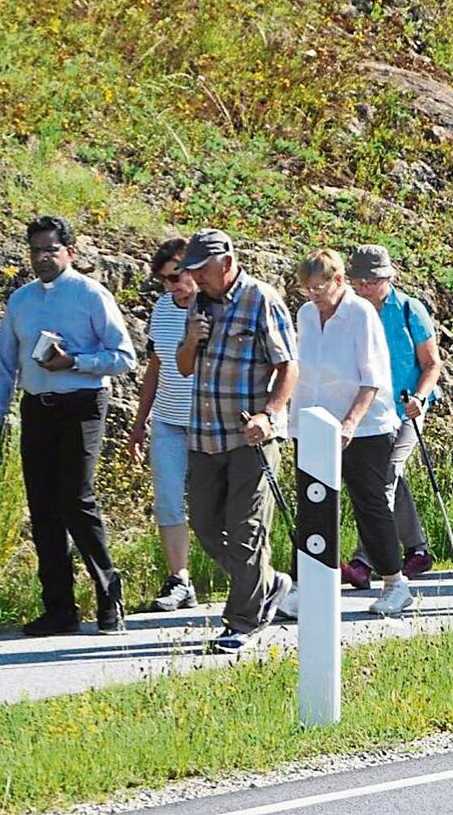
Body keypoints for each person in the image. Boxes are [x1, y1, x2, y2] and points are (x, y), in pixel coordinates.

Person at [0, 215, 135, 638]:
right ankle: (59, 608)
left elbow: (124, 357)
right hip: (38, 407)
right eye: (35, 250)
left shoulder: (90, 295)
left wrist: (76, 362)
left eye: (51, 249)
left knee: (75, 498)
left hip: (83, 404)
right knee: (43, 507)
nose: (43, 258)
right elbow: (2, 367)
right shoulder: (21, 301)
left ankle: (109, 594)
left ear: (70, 252)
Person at [176, 229, 299, 652]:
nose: (195, 279)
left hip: (251, 437)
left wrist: (269, 414)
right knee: (206, 526)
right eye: (190, 271)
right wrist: (192, 337)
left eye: (201, 270)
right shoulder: (198, 304)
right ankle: (267, 583)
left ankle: (242, 622)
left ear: (226, 263)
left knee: (246, 528)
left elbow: (288, 367)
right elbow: (184, 366)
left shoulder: (261, 299)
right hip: (205, 435)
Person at [291, 250, 412, 617]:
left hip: (364, 427)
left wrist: (349, 424)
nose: (314, 294)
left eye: (320, 286)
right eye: (307, 288)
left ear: (339, 280)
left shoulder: (360, 313)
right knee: (312, 505)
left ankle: (395, 583)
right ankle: (307, 587)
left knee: (369, 503)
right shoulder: (305, 315)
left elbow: (372, 378)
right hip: (312, 424)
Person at [344, 244, 441, 586]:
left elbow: (431, 364)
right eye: (358, 280)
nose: (364, 286)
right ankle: (418, 550)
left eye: (371, 280)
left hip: (406, 410)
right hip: (368, 413)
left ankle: (364, 560)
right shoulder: (350, 311)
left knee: (385, 475)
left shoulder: (408, 310)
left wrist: (419, 396)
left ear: (388, 277)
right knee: (389, 478)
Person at [126, 238, 200, 612]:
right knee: (168, 502)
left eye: (176, 277)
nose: (172, 287)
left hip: (208, 422)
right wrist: (140, 422)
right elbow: (154, 366)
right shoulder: (162, 308)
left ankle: (248, 578)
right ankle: (180, 579)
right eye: (165, 281)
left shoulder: (214, 308)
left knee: (211, 508)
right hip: (169, 419)